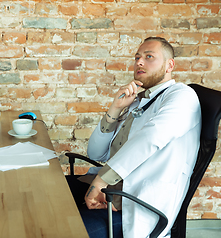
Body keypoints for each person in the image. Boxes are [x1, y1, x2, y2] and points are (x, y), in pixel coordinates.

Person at [66, 37, 202, 238]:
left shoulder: (182, 96)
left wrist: (101, 181)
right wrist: (115, 108)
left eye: (149, 57)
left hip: (135, 202)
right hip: (111, 191)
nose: (139, 62)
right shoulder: (138, 101)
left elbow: (151, 137)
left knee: (62, 229)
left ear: (169, 65)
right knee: (46, 193)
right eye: (137, 57)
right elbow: (96, 152)